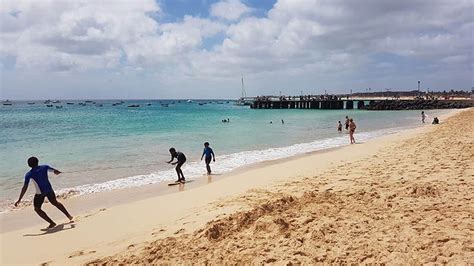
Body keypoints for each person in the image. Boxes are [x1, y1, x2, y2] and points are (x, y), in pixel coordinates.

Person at [14, 157, 73, 229]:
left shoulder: (29, 174)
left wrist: (19, 199)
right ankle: (69, 216)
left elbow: (25, 187)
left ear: (29, 165)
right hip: (49, 190)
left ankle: (52, 223)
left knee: (37, 209)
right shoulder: (45, 167)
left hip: (40, 193)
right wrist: (56, 172)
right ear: (38, 162)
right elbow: (54, 171)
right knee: (55, 202)